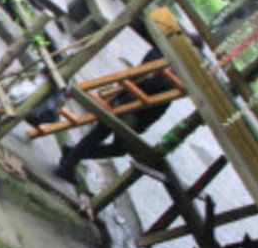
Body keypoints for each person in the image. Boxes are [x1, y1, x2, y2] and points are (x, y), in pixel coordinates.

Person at [56, 44, 186, 182]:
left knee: (100, 137)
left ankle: (71, 157)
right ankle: (70, 160)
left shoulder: (159, 53)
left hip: (126, 99)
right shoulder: (168, 71)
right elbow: (157, 92)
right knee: (113, 145)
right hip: (132, 109)